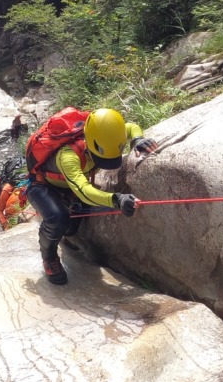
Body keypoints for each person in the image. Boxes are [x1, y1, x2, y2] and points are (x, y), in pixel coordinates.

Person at [26, 108, 157, 285]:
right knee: (58, 218)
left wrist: (138, 139)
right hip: (42, 187)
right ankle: (49, 257)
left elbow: (131, 126)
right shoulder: (68, 156)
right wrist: (116, 200)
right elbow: (84, 191)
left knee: (71, 230)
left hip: (69, 185)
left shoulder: (108, 133)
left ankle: (66, 230)